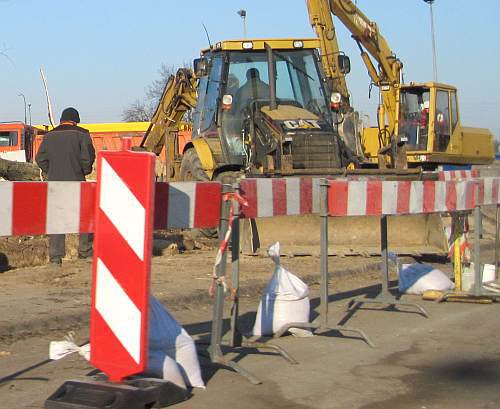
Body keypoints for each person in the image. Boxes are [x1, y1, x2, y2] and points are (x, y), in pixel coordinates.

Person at [36, 107, 96, 265]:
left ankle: (55, 257)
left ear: (62, 120)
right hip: (77, 182)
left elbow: (40, 158)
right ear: (75, 121)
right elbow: (88, 157)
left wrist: (51, 172)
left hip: (55, 183)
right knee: (85, 216)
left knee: (57, 218)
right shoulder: (82, 134)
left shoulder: (49, 136)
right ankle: (85, 252)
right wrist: (84, 171)